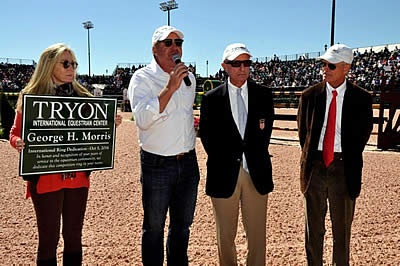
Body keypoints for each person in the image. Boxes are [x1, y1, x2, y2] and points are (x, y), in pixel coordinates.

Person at [9, 43, 122, 266]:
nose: (72, 68)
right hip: (45, 177)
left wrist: (111, 122)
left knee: (74, 238)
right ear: (49, 65)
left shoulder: (83, 96)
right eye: (66, 63)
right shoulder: (32, 97)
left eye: (74, 64)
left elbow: (97, 130)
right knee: (48, 240)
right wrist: (18, 142)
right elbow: (14, 132)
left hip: (78, 178)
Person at [127, 25, 199, 265]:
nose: (174, 47)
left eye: (178, 42)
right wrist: (170, 88)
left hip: (187, 163)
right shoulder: (142, 78)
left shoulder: (189, 78)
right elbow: (143, 120)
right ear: (155, 49)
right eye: (167, 43)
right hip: (157, 164)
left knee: (182, 227)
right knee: (154, 227)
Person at [297, 44, 373, 265]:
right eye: (324, 64)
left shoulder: (362, 99)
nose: (325, 69)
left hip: (344, 168)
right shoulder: (309, 96)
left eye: (331, 65)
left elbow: (362, 136)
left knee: (342, 233)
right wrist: (315, 159)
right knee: (313, 232)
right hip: (316, 168)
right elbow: (305, 135)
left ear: (346, 67)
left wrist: (342, 157)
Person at [199, 43, 274, 265]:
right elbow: (207, 137)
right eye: (236, 63)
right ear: (225, 66)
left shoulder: (264, 94)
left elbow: (265, 133)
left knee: (257, 236)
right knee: (225, 236)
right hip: (223, 173)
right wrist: (227, 160)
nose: (242, 68)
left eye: (247, 63)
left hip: (256, 172)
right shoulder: (211, 98)